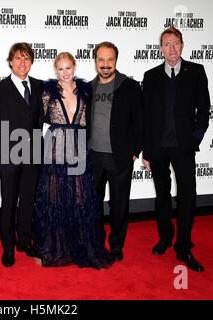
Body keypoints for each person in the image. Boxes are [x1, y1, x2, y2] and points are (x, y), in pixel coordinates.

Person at [33, 52, 116, 269]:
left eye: (68, 67)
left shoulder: (86, 91)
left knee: (79, 197)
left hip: (79, 148)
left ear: (75, 67)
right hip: (55, 148)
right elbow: (35, 120)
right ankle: (54, 247)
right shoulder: (47, 93)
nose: (65, 72)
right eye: (60, 68)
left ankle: (78, 246)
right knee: (55, 198)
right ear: (55, 70)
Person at [142, 27, 210, 272]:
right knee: (162, 196)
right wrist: (146, 151)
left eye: (176, 43)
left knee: (187, 197)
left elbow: (204, 111)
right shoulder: (150, 76)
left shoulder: (196, 72)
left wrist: (195, 139)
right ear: (160, 48)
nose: (172, 48)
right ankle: (165, 238)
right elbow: (145, 117)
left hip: (183, 147)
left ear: (182, 45)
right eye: (167, 44)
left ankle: (184, 246)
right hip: (158, 148)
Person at [87, 42, 143, 262]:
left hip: (120, 157)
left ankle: (117, 244)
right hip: (94, 156)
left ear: (116, 61)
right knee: (95, 203)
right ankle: (97, 241)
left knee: (119, 204)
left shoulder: (129, 86)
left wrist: (134, 151)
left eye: (109, 59)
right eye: (101, 60)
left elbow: (140, 122)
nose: (105, 64)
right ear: (95, 62)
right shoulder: (89, 88)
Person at [0, 42, 43, 268]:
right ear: (10, 61)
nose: (23, 63)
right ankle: (8, 247)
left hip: (34, 153)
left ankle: (25, 240)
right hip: (9, 155)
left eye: (27, 58)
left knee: (29, 200)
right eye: (18, 58)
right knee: (9, 202)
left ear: (31, 62)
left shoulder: (40, 87)